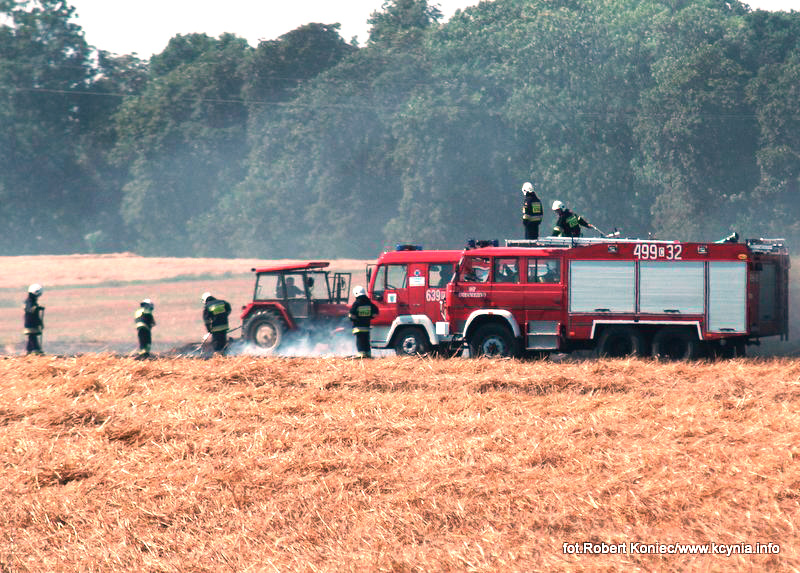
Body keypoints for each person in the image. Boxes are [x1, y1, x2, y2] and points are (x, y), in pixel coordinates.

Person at [348, 285, 379, 358]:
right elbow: (376, 313)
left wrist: (355, 319)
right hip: (366, 326)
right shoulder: (369, 303)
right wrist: (369, 317)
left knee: (360, 340)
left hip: (358, 327)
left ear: (356, 294)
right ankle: (368, 353)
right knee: (366, 340)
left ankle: (361, 354)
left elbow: (351, 315)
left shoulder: (356, 303)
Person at [23, 283, 45, 355]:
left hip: (32, 322)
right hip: (30, 322)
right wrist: (38, 308)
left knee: (31, 336)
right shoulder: (29, 301)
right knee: (32, 336)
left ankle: (29, 350)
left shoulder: (31, 301)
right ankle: (36, 349)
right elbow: (30, 310)